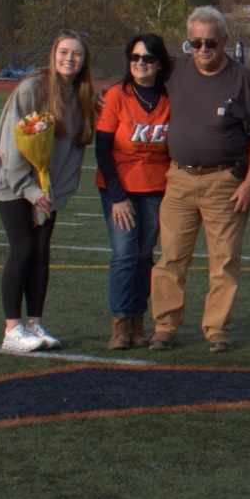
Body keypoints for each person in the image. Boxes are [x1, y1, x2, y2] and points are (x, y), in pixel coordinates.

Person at [149, 7, 250, 352]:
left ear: (225, 42)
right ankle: (165, 326)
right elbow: (138, 84)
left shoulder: (241, 78)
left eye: (210, 43)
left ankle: (217, 329)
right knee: (170, 258)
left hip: (225, 182)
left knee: (224, 261)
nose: (203, 49)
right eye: (195, 43)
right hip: (180, 178)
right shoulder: (174, 70)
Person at [0, 30, 97, 352]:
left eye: (76, 54)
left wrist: (54, 193)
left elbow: (73, 150)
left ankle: (34, 323)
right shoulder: (32, 88)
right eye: (64, 52)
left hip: (46, 190)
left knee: (42, 251)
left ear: (84, 59)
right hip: (13, 184)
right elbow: (12, 145)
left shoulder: (81, 95)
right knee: (23, 249)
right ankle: (12, 330)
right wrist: (30, 190)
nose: (69, 59)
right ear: (54, 54)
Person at [95, 34, 173, 350]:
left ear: (159, 64)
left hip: (156, 187)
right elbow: (102, 149)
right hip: (120, 188)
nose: (141, 63)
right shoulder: (116, 95)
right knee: (125, 253)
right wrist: (117, 195)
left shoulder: (170, 97)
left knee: (144, 256)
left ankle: (138, 323)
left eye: (148, 58)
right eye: (135, 57)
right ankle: (120, 324)